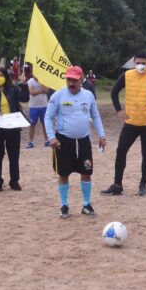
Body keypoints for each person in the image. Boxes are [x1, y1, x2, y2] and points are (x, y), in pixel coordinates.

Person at [101, 51, 146, 196]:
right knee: (121, 151)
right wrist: (118, 110)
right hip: (131, 122)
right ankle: (117, 184)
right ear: (133, 63)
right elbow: (114, 92)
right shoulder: (127, 76)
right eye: (138, 63)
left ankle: (143, 184)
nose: (140, 65)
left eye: (144, 63)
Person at [44, 66, 106, 219]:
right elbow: (47, 117)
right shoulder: (58, 95)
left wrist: (102, 135)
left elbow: (96, 116)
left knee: (86, 172)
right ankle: (64, 205)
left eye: (74, 80)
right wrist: (51, 137)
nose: (71, 83)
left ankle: (86, 205)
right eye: (68, 79)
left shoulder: (89, 95)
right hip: (63, 141)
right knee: (63, 173)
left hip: (84, 140)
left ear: (81, 79)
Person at [0, 67, 29, 191]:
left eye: (1, 75)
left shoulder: (13, 88)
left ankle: (14, 181)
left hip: (13, 126)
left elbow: (25, 98)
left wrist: (24, 83)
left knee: (14, 156)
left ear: (5, 77)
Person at [26, 73, 49, 148]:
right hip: (33, 106)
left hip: (44, 105)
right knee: (32, 124)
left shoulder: (44, 80)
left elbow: (46, 90)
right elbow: (31, 92)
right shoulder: (30, 81)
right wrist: (41, 91)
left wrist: (40, 82)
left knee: (45, 124)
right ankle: (30, 142)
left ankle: (47, 140)